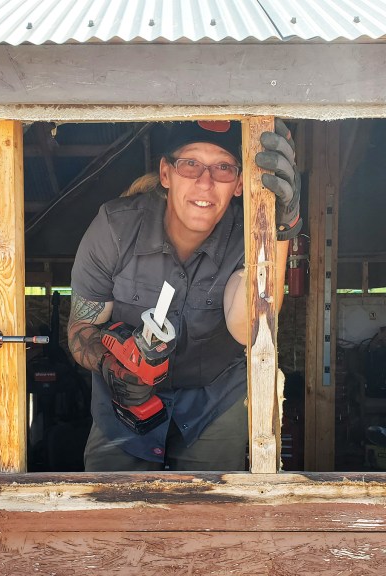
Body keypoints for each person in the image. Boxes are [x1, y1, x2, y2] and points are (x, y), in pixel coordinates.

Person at [67, 119, 300, 471]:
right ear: (166, 173)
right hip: (122, 410)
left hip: (214, 403)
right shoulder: (115, 229)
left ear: (238, 184)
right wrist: (113, 366)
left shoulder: (249, 233)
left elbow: (248, 327)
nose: (204, 182)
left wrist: (278, 231)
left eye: (223, 168)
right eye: (190, 164)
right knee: (111, 513)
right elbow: (80, 327)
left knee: (209, 516)